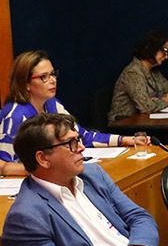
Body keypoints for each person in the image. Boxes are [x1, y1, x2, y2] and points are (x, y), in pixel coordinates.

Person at [2, 113, 158, 246]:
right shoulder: (25, 216)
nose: (82, 148)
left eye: (79, 140)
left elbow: (140, 217)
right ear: (43, 158)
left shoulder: (93, 174)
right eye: (71, 144)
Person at [0, 51, 148, 177]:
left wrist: (124, 140)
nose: (52, 80)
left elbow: (82, 135)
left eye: (53, 74)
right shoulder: (16, 115)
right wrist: (50, 169)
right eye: (43, 77)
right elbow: (4, 165)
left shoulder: (52, 104)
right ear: (25, 83)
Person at [108, 30, 168, 122]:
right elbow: (146, 107)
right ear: (151, 48)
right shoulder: (132, 73)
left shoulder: (155, 73)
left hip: (147, 123)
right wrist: (165, 100)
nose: (166, 56)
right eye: (164, 51)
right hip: (125, 125)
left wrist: (156, 101)